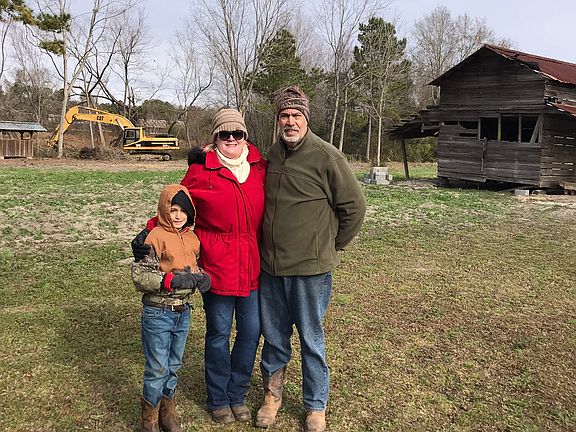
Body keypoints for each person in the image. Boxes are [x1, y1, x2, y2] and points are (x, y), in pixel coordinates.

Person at [132, 108, 267, 424]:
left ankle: (237, 394)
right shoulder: (201, 171)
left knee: (251, 331)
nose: (231, 138)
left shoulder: (260, 167)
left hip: (251, 262)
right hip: (216, 264)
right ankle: (218, 398)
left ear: (245, 136)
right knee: (219, 332)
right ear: (215, 138)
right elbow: (174, 204)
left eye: (237, 133)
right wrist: (150, 229)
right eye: (224, 134)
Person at [255, 86, 366, 432]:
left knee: (310, 339)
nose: (290, 121)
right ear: (278, 120)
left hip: (309, 270)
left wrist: (331, 246)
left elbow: (355, 208)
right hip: (270, 268)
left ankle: (316, 405)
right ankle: (272, 396)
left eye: (296, 115)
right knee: (274, 337)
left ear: (306, 119)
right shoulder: (272, 154)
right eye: (284, 116)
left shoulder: (327, 156)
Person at [131, 184, 211, 432]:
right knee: (158, 368)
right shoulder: (154, 236)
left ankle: (167, 415)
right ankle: (150, 421)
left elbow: (192, 266)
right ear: (164, 210)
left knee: (174, 366)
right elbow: (140, 276)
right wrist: (168, 280)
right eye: (173, 210)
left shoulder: (192, 238)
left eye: (183, 211)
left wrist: (201, 276)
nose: (177, 216)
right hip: (158, 311)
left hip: (182, 312)